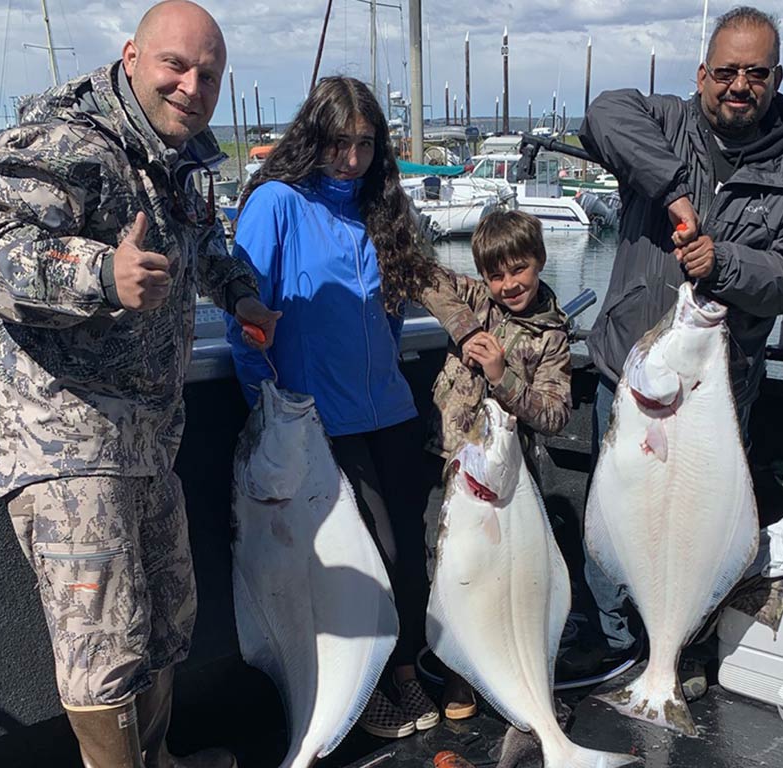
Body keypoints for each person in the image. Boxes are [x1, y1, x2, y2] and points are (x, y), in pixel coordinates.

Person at [0, 3, 279, 766]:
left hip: (145, 437)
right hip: (64, 440)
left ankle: (154, 759)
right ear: (132, 57)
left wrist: (242, 296)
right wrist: (97, 272)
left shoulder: (181, 154)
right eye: (176, 65)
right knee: (104, 645)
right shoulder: (67, 140)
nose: (192, 85)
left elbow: (203, 243)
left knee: (167, 617)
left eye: (209, 74)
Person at [574, 6, 783, 696]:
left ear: (776, 77)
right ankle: (612, 648)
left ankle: (676, 653)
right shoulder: (662, 120)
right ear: (702, 75)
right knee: (617, 520)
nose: (738, 85)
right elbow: (602, 114)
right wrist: (674, 190)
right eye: (725, 71)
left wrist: (724, 263)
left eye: (754, 72)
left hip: (719, 394)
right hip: (632, 377)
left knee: (696, 533)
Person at [225, 76, 481, 740]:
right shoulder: (275, 203)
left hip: (391, 411)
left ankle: (400, 669)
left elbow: (423, 280)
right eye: (339, 142)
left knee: (414, 553)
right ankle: (362, 686)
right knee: (369, 561)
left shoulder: (380, 209)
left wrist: (471, 327)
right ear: (313, 137)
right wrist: (270, 408)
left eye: (365, 144)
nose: (351, 159)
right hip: (319, 424)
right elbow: (244, 310)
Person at [421, 209, 572, 719]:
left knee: (498, 579)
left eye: (519, 270)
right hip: (448, 460)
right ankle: (458, 677)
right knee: (448, 572)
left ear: (540, 262)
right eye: (496, 274)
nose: (509, 285)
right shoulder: (475, 299)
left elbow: (554, 414)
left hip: (506, 482)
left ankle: (515, 670)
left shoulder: (553, 337)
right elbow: (423, 277)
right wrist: (465, 332)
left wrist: (502, 375)